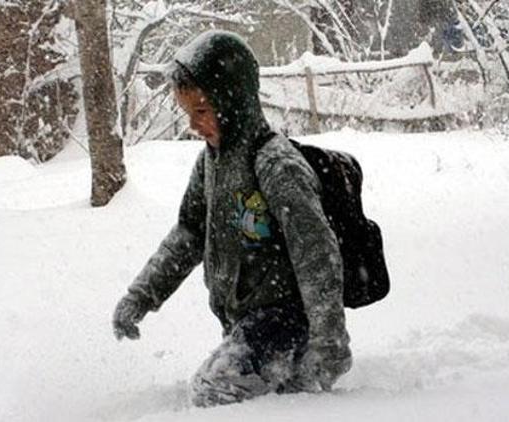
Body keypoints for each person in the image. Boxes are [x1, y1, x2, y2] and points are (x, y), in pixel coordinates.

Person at [112, 30, 351, 407]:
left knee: (215, 389)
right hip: (246, 323)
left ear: (232, 101)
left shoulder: (275, 164)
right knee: (245, 394)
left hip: (288, 321)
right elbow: (188, 234)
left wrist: (329, 339)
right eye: (187, 113)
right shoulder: (211, 162)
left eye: (201, 111)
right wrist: (142, 295)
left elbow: (317, 256)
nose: (193, 125)